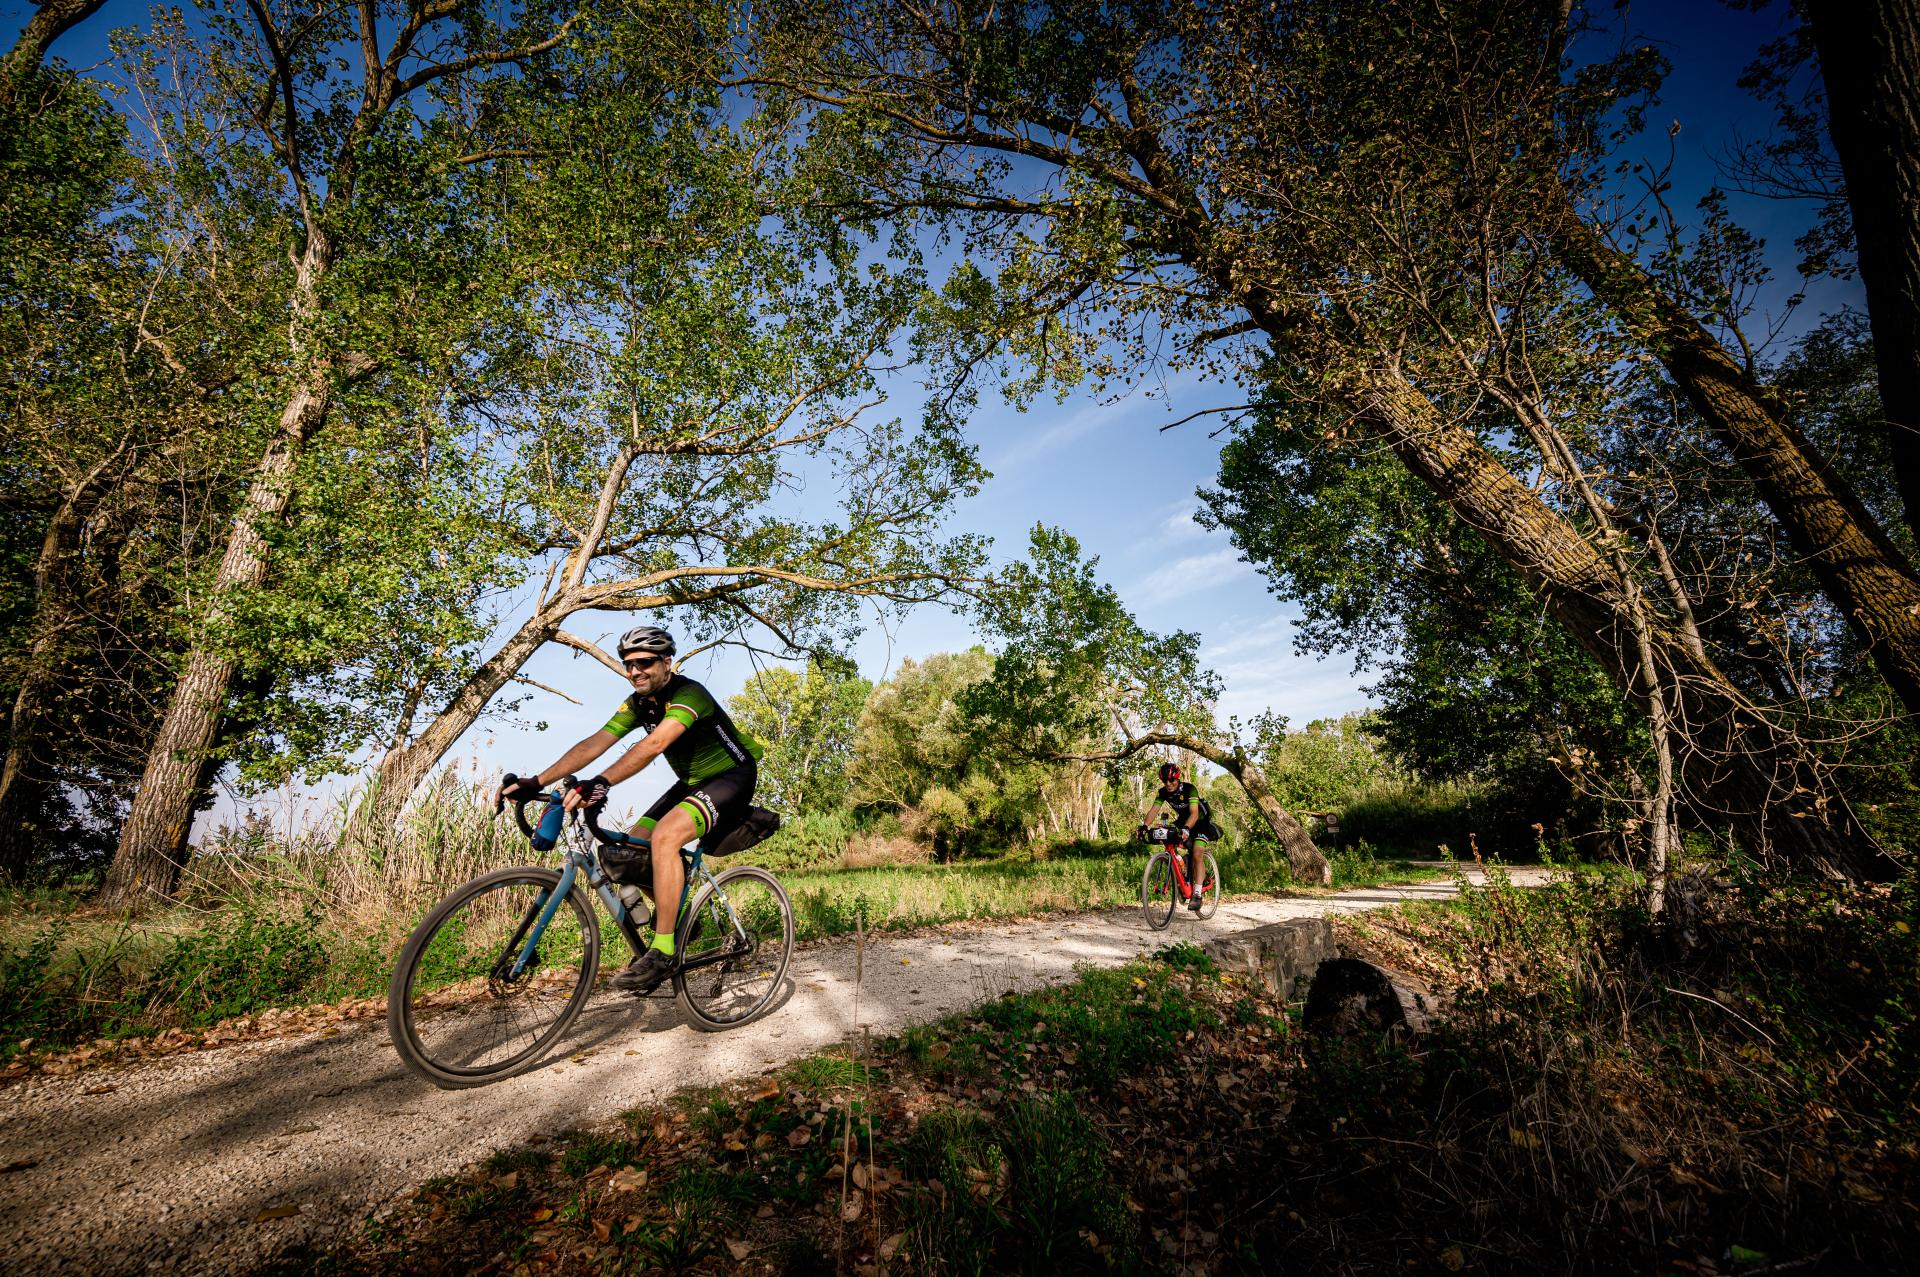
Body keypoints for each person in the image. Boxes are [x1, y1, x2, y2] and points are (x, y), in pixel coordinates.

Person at [496, 624, 765, 993]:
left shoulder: (690, 694)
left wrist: (601, 781)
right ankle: (683, 918)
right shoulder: (639, 703)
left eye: (644, 662)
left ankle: (664, 949)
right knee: (634, 846)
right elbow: (595, 743)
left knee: (667, 838)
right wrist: (536, 781)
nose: (635, 671)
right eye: (628, 664)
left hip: (731, 777)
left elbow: (655, 744)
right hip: (691, 783)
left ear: (666, 662)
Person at [1138, 761, 1219, 910]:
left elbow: (1194, 813)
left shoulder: (1189, 789)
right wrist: (1145, 827)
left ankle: (1197, 894)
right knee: (1169, 836)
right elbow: (1154, 810)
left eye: (1171, 780)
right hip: (1183, 820)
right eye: (1165, 781)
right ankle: (1184, 871)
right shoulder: (1163, 792)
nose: (1168, 784)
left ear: (1177, 778)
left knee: (1197, 852)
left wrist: (1187, 828)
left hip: (1200, 820)